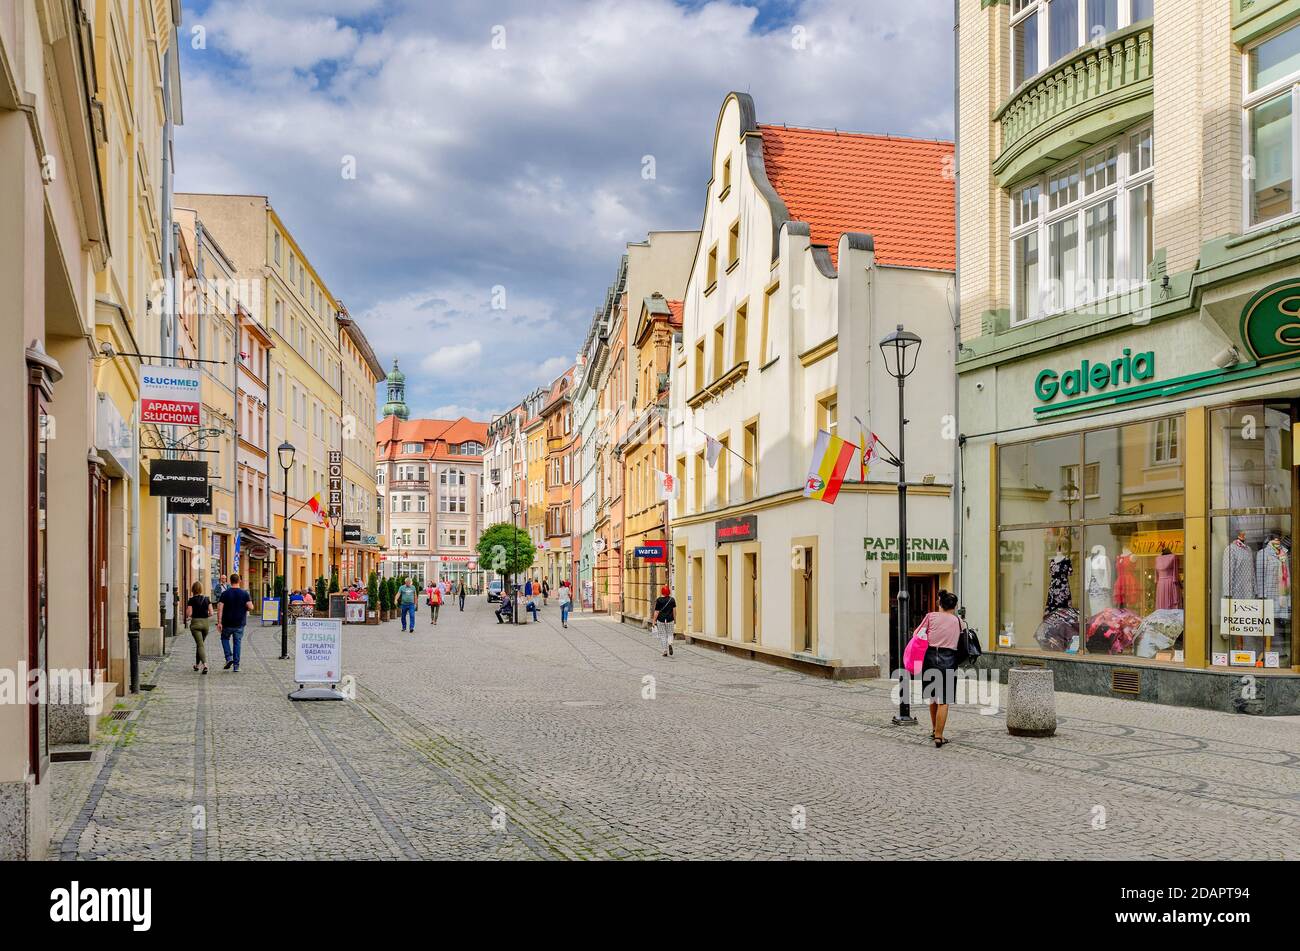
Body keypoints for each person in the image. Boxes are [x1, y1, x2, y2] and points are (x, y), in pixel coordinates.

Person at [918, 589, 965, 749]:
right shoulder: (958, 622)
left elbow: (918, 634)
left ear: (940, 603)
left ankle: (934, 730)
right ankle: (939, 735)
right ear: (955, 606)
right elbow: (961, 642)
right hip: (949, 660)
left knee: (932, 697)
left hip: (930, 657)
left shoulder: (930, 617)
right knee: (944, 700)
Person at [216, 573, 252, 672]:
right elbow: (251, 607)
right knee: (237, 643)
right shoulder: (245, 593)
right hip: (239, 623)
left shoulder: (225, 594)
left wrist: (219, 622)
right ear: (239, 581)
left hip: (227, 622)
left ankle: (228, 657)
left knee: (224, 638)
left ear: (230, 581)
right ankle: (236, 666)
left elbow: (220, 609)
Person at [184, 581, 211, 675]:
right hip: (205, 624)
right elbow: (211, 613)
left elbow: (189, 614)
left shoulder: (191, 600)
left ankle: (205, 665)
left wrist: (188, 614)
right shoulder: (207, 599)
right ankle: (197, 665)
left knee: (200, 645)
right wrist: (204, 614)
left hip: (195, 624)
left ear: (193, 589)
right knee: (200, 644)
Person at [652, 584, 676, 656]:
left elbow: (656, 611)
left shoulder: (659, 600)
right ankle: (670, 643)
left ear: (662, 592)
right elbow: (674, 611)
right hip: (670, 619)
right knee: (670, 633)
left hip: (661, 620)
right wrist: (675, 619)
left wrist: (654, 621)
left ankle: (665, 651)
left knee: (663, 635)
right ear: (669, 592)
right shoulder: (672, 600)